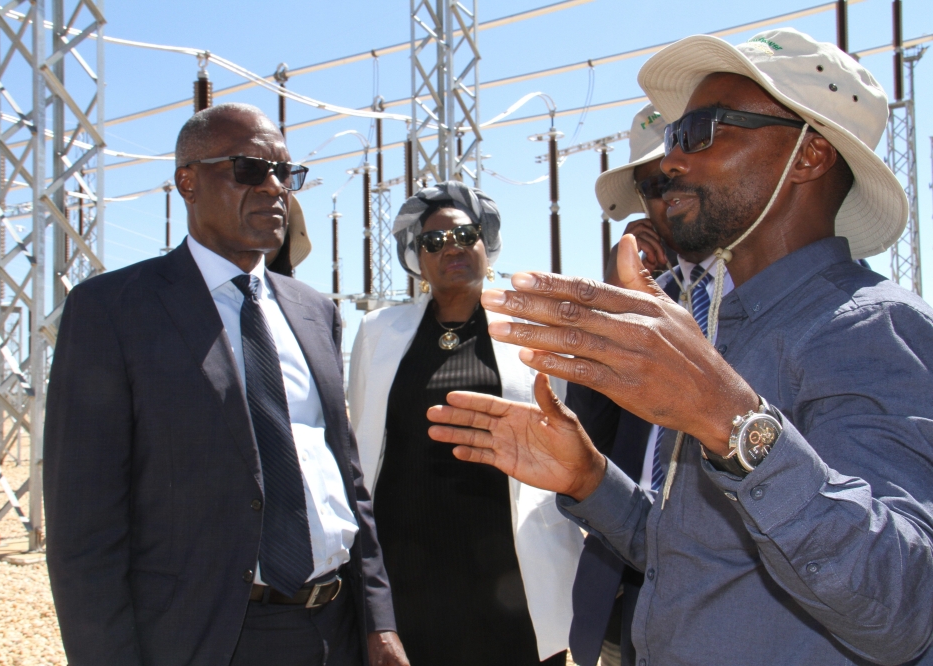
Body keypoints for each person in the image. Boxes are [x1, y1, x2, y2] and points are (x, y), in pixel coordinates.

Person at [427, 28, 933, 665]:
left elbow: (906, 609)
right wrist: (589, 478)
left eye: (704, 130)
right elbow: (693, 558)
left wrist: (730, 420)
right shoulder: (722, 329)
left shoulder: (874, 330)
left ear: (809, 155)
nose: (670, 161)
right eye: (675, 135)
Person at [44, 102, 408, 666]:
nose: (273, 188)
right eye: (248, 169)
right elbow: (84, 525)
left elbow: (346, 476)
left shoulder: (315, 312)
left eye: (285, 174)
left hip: (336, 625)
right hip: (214, 636)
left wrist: (379, 620)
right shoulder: (115, 311)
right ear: (187, 182)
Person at [347, 181, 583, 666]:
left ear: (486, 242)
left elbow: (570, 442)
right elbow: (357, 451)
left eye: (463, 235)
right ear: (417, 258)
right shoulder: (377, 333)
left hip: (514, 569)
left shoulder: (533, 331)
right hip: (406, 568)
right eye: (432, 242)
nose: (450, 248)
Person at [568, 101, 734, 666]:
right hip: (627, 589)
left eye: (676, 179)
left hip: (726, 607)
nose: (668, 196)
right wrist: (618, 307)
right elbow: (591, 437)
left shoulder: (759, 298)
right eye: (652, 186)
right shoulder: (637, 303)